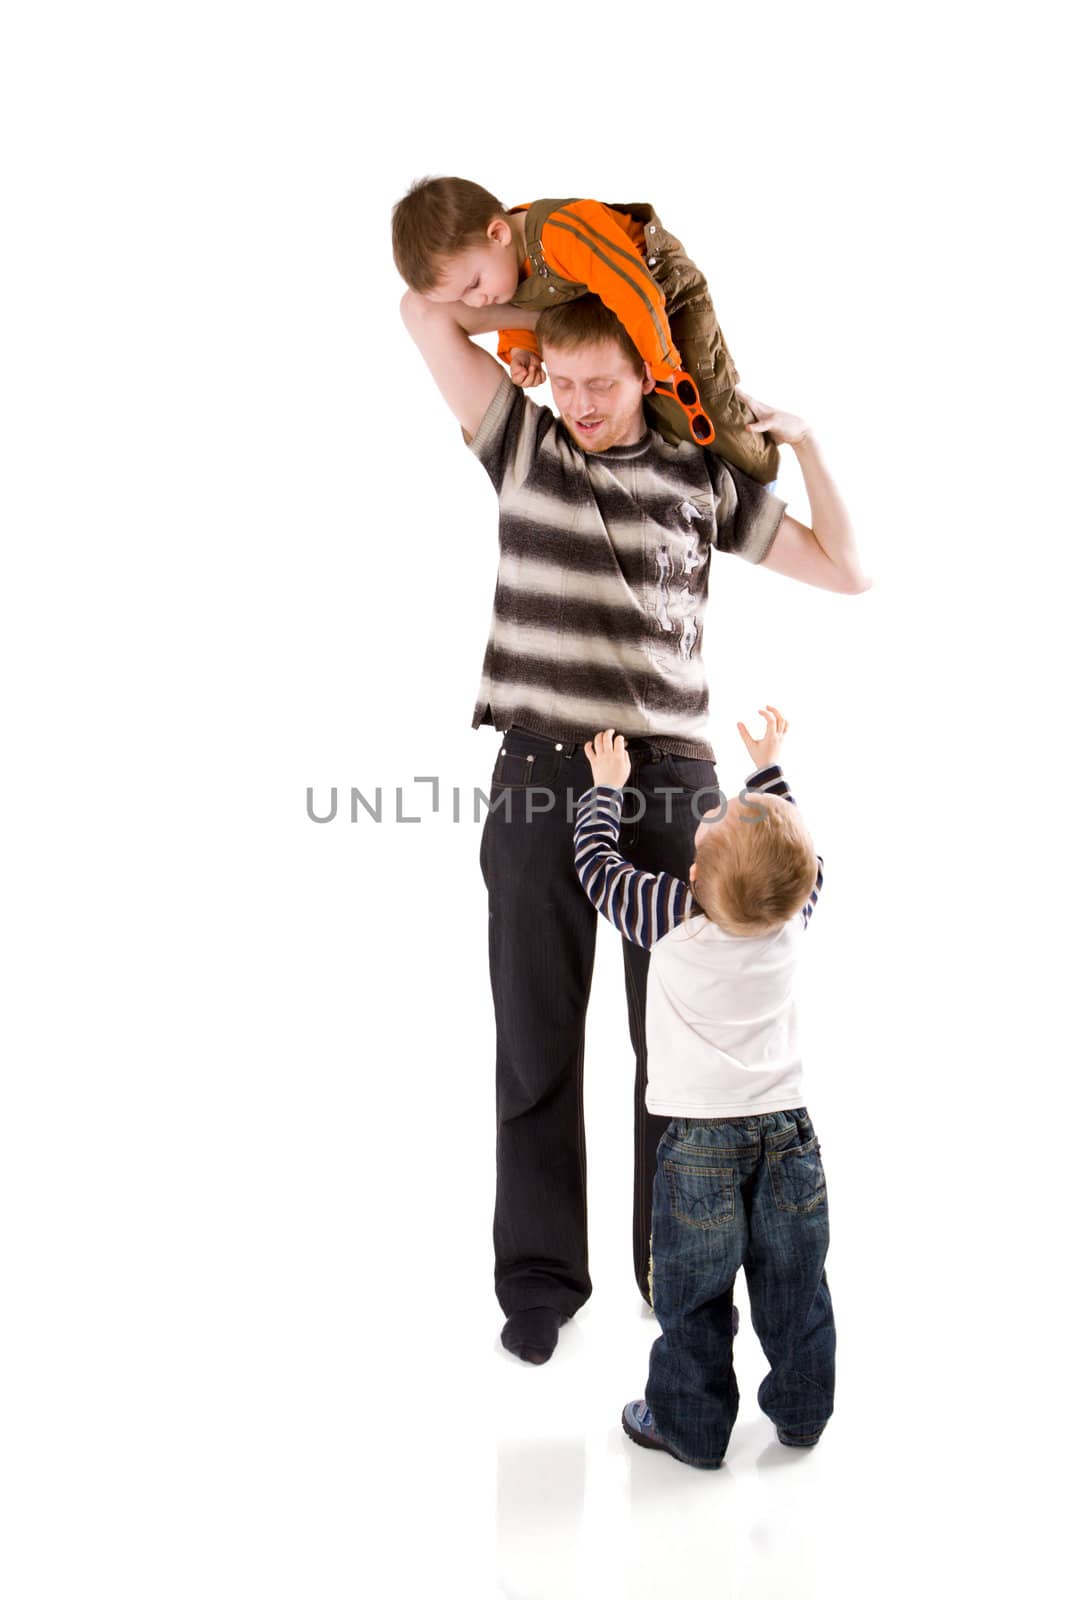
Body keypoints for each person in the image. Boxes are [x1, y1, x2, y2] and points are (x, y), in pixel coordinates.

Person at [397, 279, 868, 1366]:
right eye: (560, 381)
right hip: (537, 775)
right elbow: (424, 313)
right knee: (533, 1037)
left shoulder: (701, 473)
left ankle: (676, 1268)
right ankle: (540, 1281)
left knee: (679, 1051)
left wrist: (809, 450)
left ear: (650, 370)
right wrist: (520, 334)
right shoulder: (521, 438)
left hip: (670, 783)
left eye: (600, 382)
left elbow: (849, 570)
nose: (578, 402)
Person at [575, 710, 834, 1467]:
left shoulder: (670, 917)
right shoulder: (790, 917)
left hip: (696, 1148)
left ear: (692, 876)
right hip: (790, 1138)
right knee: (797, 1287)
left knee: (691, 1301)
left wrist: (607, 790)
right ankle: (803, 1412)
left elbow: (597, 868)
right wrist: (770, 772)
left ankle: (688, 1426)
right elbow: (800, 868)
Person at [391, 176, 778, 482]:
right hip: (603, 306)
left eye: (474, 284)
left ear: (498, 234)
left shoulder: (562, 233)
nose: (477, 302)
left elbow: (637, 294)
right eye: (463, 297)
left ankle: (760, 469)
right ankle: (711, 486)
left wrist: (662, 363)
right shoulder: (506, 268)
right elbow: (527, 300)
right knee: (651, 415)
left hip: (663, 289)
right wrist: (522, 347)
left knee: (699, 396)